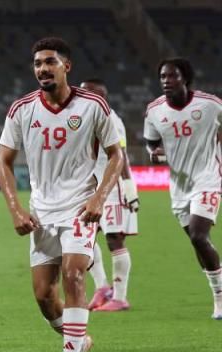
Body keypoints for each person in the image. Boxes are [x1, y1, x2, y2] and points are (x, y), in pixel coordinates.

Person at [0, 37, 123, 352]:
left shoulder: (93, 106)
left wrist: (99, 198)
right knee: (43, 295)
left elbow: (116, 156)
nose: (42, 69)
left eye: (49, 62)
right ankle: (78, 340)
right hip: (42, 210)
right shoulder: (21, 109)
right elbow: (4, 162)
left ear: (66, 66)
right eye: (37, 63)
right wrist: (15, 208)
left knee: (74, 275)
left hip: (80, 206)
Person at [144, 58, 222, 319]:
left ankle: (220, 299)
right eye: (163, 77)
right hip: (178, 185)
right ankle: (218, 281)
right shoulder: (154, 111)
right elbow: (150, 142)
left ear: (185, 78)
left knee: (199, 236)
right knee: (198, 242)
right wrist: (154, 154)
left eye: (172, 76)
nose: (167, 81)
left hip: (208, 177)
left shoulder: (210, 105)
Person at [80, 79, 139, 312]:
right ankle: (102, 287)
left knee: (114, 239)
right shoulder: (85, 119)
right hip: (90, 189)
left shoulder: (111, 120)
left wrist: (129, 188)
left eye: (85, 93)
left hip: (112, 189)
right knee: (87, 238)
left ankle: (120, 297)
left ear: (99, 96)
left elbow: (121, 155)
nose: (80, 96)